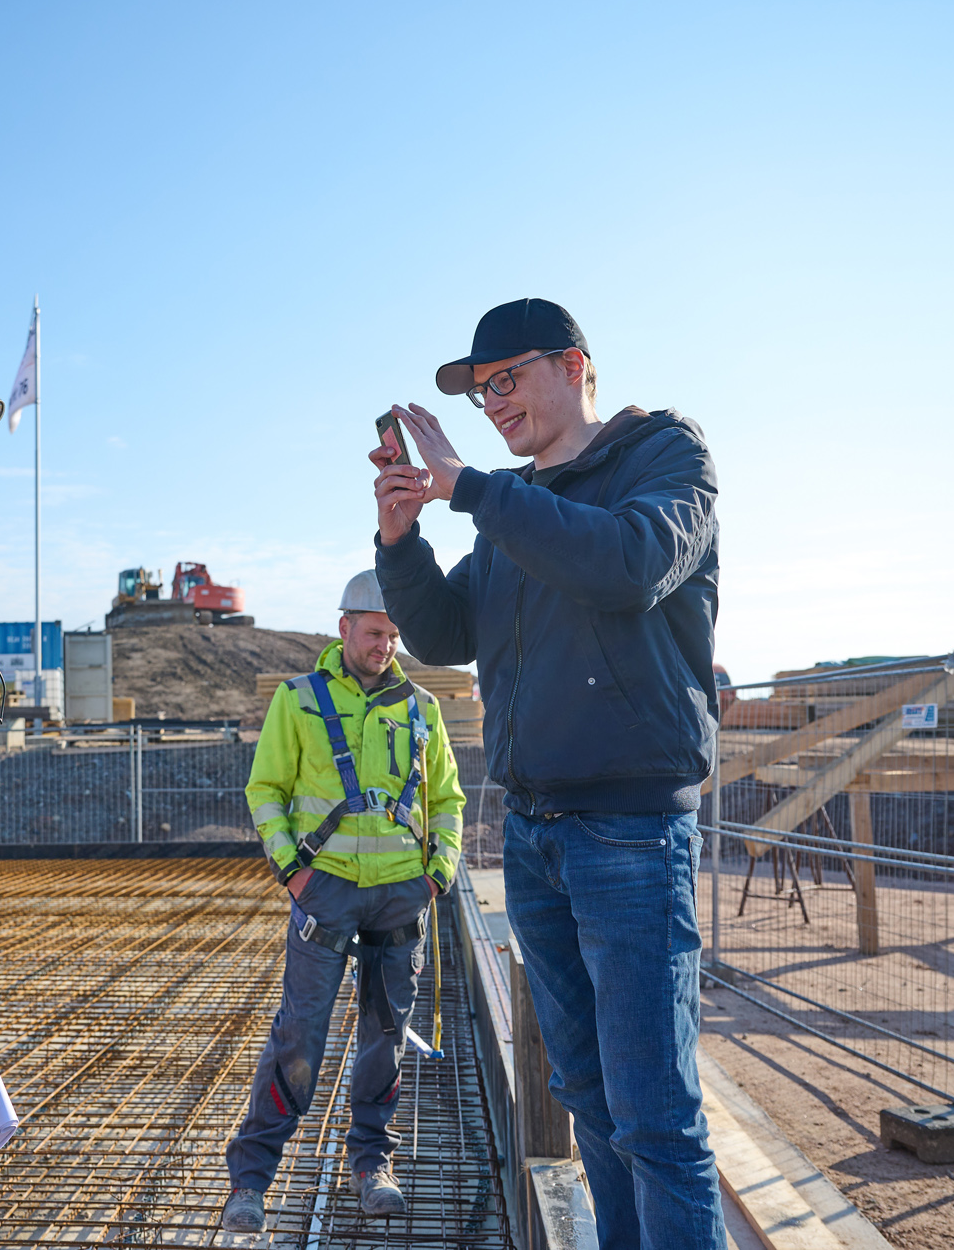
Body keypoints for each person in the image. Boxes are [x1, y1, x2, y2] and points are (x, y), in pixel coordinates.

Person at [371, 297, 726, 1249]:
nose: (492, 402)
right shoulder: (513, 509)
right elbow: (447, 630)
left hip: (630, 832)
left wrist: (477, 490)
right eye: (481, 390)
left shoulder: (664, 457)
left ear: (573, 365)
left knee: (655, 1116)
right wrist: (402, 538)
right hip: (534, 833)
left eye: (506, 378)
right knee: (589, 1098)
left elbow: (628, 564)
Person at [220, 571, 466, 1233]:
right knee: (300, 1032)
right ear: (344, 628)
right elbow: (265, 789)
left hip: (400, 897)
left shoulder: (421, 708)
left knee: (386, 1036)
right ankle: (251, 1178)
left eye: (393, 636)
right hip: (324, 889)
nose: (385, 645)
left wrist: (437, 873)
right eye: (374, 632)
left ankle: (372, 1165)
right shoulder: (299, 699)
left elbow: (448, 798)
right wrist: (293, 873)